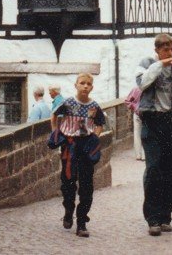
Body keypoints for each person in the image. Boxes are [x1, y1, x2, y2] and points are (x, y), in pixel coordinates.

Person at [135, 33, 172, 236]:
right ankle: (153, 218)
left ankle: (166, 215)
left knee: (171, 171)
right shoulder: (146, 64)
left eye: (171, 49)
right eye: (165, 49)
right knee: (154, 169)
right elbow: (142, 83)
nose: (169, 52)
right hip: (152, 122)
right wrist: (160, 64)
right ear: (157, 50)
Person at [50, 73, 105, 238]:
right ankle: (68, 210)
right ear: (76, 85)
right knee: (68, 182)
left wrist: (94, 138)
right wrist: (56, 133)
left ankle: (82, 222)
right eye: (82, 83)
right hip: (70, 146)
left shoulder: (94, 106)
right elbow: (54, 115)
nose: (85, 86)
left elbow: (100, 123)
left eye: (88, 84)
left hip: (86, 146)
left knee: (87, 186)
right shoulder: (68, 103)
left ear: (92, 87)